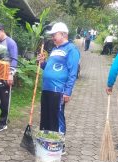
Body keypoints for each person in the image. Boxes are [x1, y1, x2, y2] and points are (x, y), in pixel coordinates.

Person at [37, 22, 80, 153]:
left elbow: (73, 73)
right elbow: (49, 68)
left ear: (63, 34)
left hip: (59, 90)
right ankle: (47, 142)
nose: (52, 37)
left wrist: (67, 92)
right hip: (46, 89)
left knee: (57, 117)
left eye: (54, 34)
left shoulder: (72, 49)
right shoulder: (55, 49)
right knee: (46, 116)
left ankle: (60, 145)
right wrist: (42, 62)